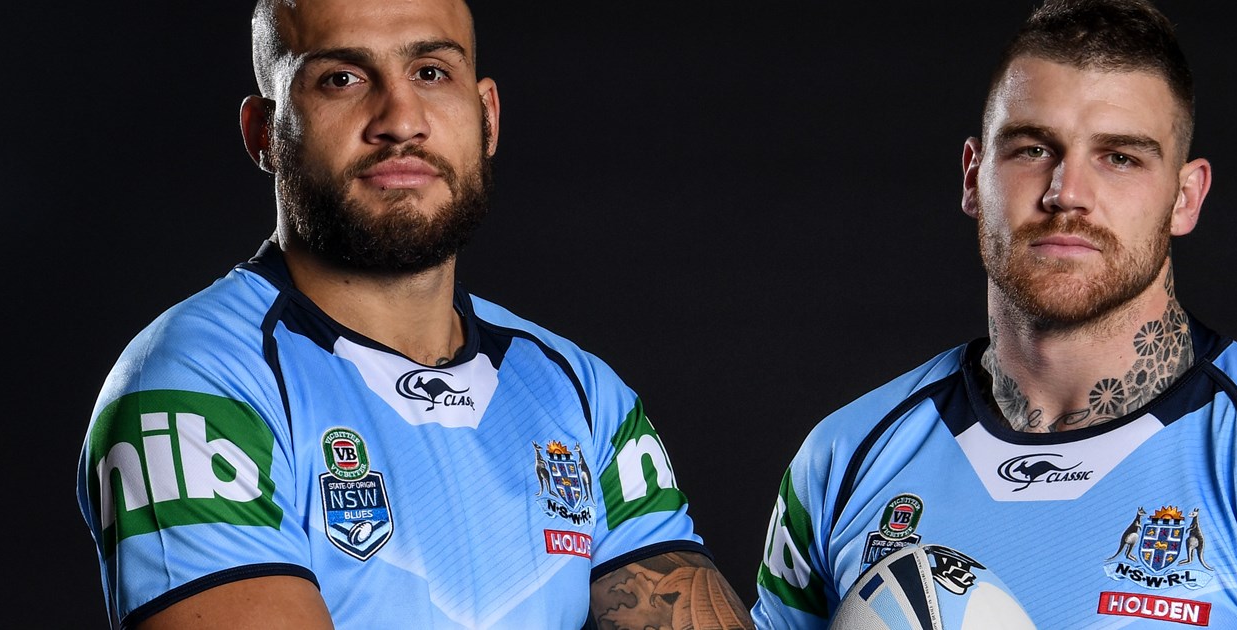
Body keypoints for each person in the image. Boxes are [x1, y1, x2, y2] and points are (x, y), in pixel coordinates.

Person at [750, 1, 1237, 628]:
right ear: (973, 175)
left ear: (1185, 197)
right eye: (1032, 149)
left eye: (1119, 157)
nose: (1066, 192)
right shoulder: (844, 458)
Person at [74, 1, 753, 628]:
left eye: (431, 72)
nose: (400, 119)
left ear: (486, 116)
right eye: (341, 79)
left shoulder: (578, 391)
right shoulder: (194, 385)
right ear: (264, 134)